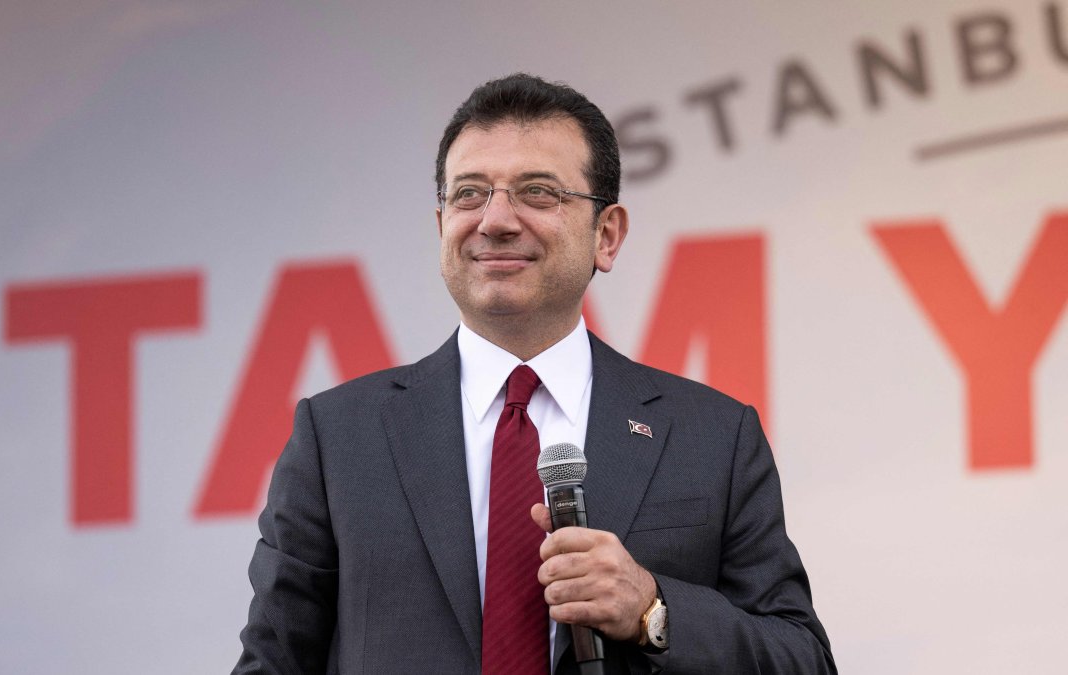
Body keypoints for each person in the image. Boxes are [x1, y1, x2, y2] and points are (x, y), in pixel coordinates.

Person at [233, 73, 836, 674]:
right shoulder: (339, 436)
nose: (495, 220)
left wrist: (653, 609)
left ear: (607, 234)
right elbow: (273, 661)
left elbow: (802, 659)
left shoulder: (712, 436)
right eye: (469, 194)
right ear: (441, 228)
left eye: (538, 192)